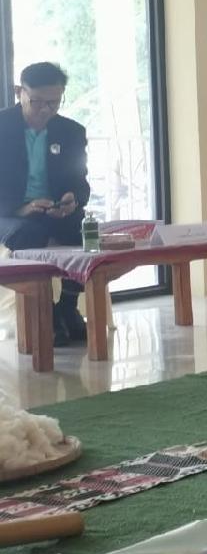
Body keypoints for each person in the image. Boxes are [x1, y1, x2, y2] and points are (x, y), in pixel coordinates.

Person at [0, 62, 91, 345]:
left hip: (51, 209)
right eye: (37, 101)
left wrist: (72, 199)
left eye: (54, 102)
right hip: (9, 213)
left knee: (81, 228)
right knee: (29, 232)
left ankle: (68, 306)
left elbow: (80, 182)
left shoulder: (71, 131)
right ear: (20, 92)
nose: (45, 110)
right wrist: (21, 208)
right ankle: (47, 312)